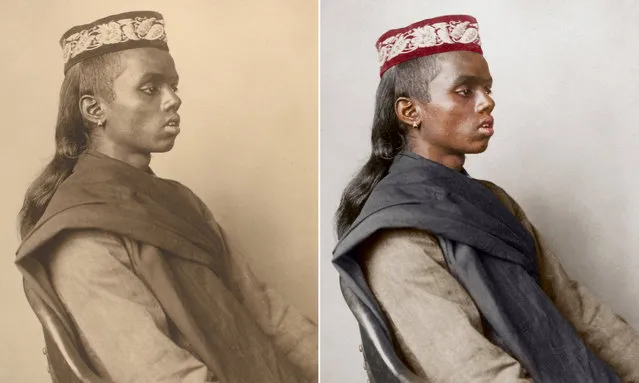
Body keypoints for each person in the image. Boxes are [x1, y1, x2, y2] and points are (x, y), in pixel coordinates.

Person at [332, 14, 639, 383]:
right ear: (410, 111)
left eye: (488, 89)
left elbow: (578, 311)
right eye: (465, 91)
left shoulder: (495, 201)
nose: (487, 103)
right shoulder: (397, 235)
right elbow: (476, 374)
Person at [15, 11, 317, 383]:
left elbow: (270, 315)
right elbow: (163, 375)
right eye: (150, 88)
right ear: (95, 110)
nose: (173, 100)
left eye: (173, 85)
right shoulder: (81, 233)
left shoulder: (182, 201)